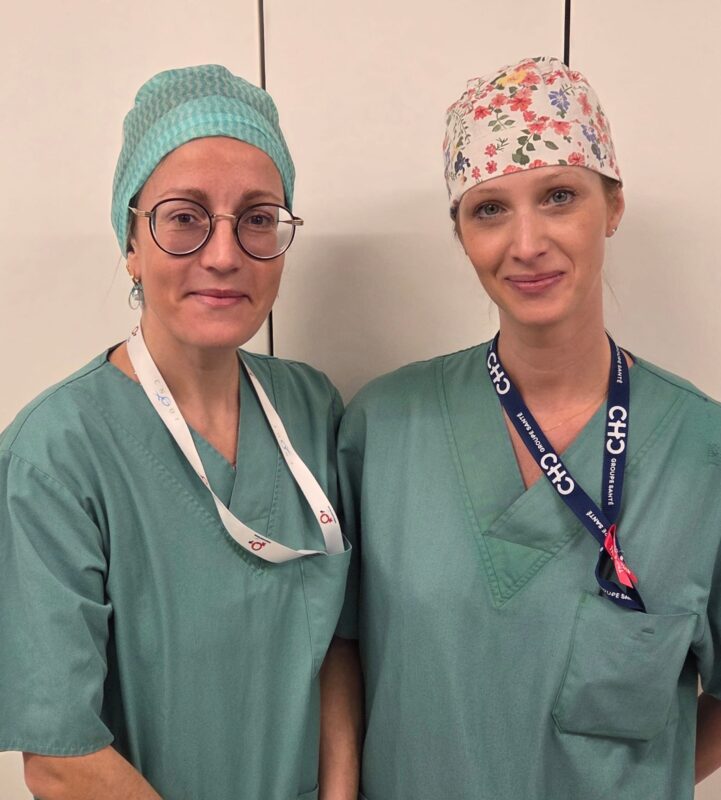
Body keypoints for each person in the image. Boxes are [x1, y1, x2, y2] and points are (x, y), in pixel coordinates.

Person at [332, 56, 721, 799]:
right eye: (488, 210)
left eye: (559, 196)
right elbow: (339, 650)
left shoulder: (703, 452)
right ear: (460, 233)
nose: (527, 243)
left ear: (612, 207)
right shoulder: (383, 429)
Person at [0, 65, 352, 800]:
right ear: (131, 242)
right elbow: (61, 759)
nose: (224, 255)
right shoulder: (56, 452)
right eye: (185, 217)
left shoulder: (310, 408)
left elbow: (334, 649)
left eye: (257, 218)